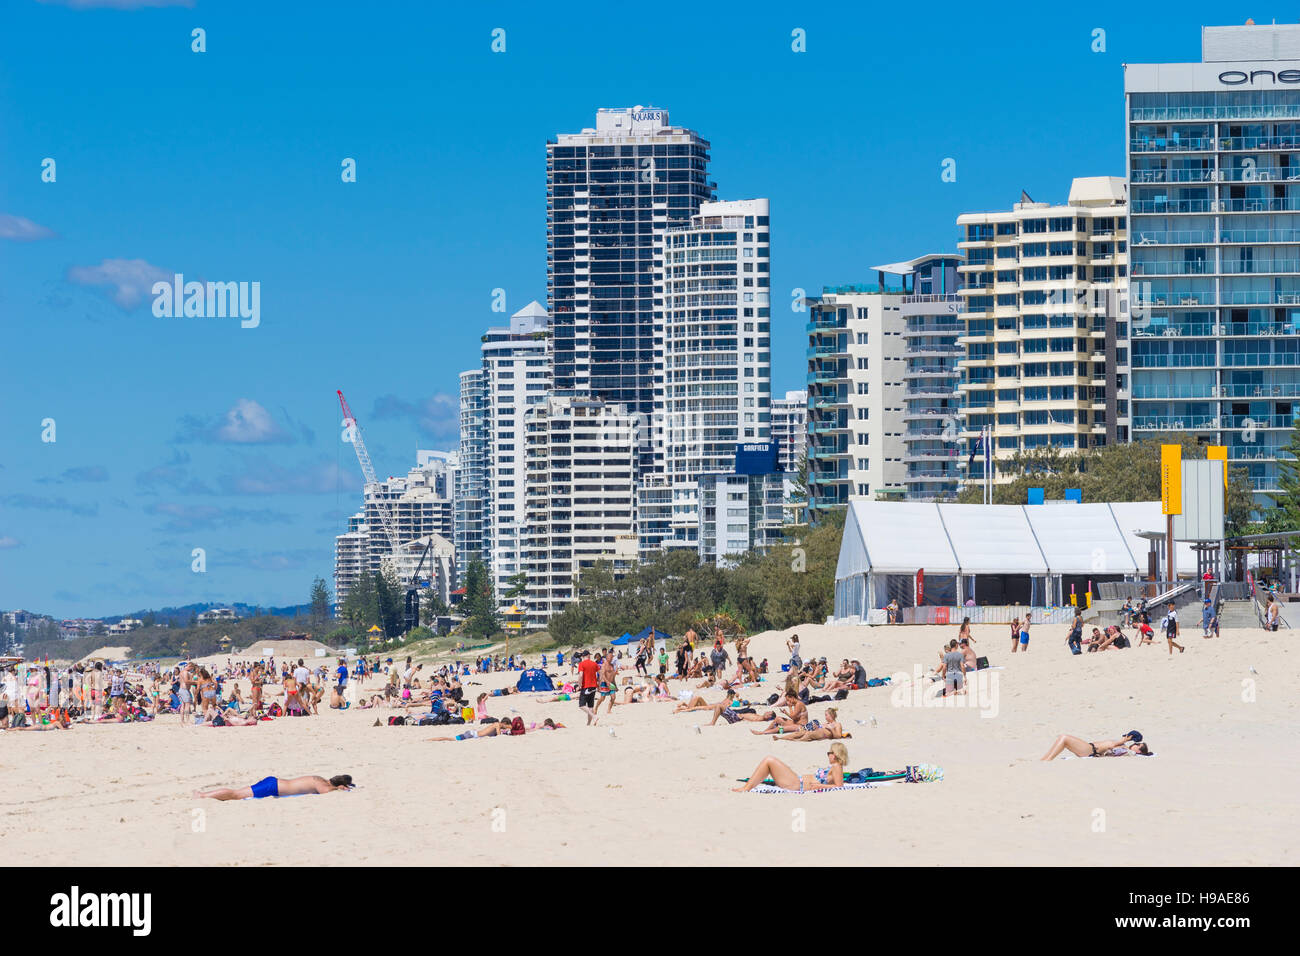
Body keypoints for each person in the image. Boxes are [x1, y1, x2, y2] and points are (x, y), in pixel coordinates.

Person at [733, 742, 849, 792]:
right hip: (798, 781)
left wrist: (820, 785)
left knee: (769, 760)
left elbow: (839, 786)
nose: (828, 755)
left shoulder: (837, 766)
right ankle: (748, 787)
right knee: (769, 762)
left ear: (836, 754)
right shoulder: (834, 766)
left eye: (829, 753)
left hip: (799, 785)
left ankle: (746, 788)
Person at [195, 774, 355, 800]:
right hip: (273, 788)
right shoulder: (323, 785)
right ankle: (203, 796)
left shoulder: (320, 779)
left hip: (274, 783)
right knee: (236, 795)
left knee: (237, 793)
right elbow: (327, 793)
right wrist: (341, 789)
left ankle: (205, 795)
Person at [1039, 731, 1150, 760]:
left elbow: (1113, 749)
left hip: (1090, 750)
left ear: (1139, 751)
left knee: (1064, 738)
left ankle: (1046, 761)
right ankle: (1044, 760)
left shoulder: (1126, 749)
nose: (1135, 744)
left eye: (1138, 745)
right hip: (1089, 747)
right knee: (1062, 738)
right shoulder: (1123, 746)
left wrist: (1125, 740)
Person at [775, 707, 850, 742]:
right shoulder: (825, 723)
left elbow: (838, 736)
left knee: (808, 734)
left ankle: (797, 740)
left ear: (832, 715)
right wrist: (816, 727)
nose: (825, 717)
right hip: (819, 732)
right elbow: (818, 730)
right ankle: (781, 738)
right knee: (801, 732)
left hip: (824, 734)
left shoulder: (837, 724)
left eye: (826, 715)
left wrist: (831, 729)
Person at [576, 651, 600, 725]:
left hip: (586, 686)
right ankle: (589, 723)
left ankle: (594, 717)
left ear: (583, 656)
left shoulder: (581, 664)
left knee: (582, 705)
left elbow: (580, 675)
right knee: (590, 706)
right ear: (588, 655)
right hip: (594, 686)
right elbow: (601, 673)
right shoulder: (594, 663)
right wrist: (599, 682)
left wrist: (579, 685)